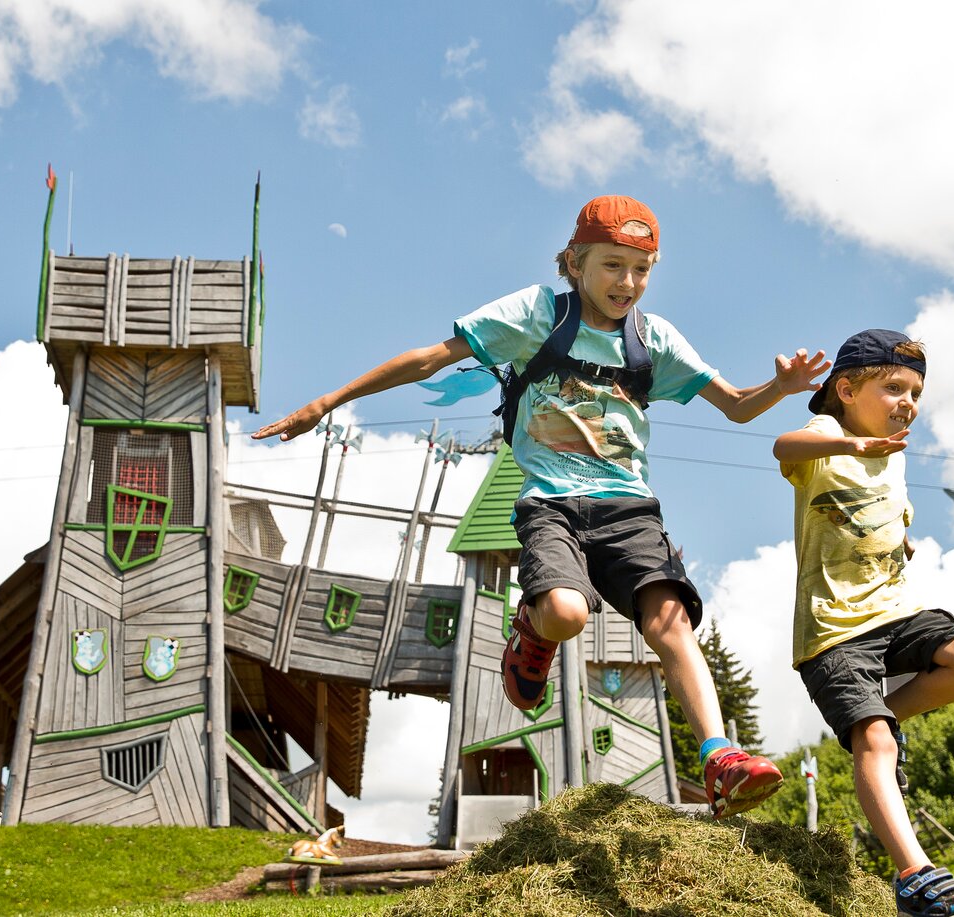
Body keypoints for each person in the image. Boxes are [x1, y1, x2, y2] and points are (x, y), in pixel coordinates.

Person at [254, 195, 830, 817]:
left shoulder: (653, 340)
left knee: (671, 622)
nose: (627, 283)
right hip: (550, 504)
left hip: (630, 508)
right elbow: (429, 358)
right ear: (575, 261)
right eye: (613, 266)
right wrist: (328, 401)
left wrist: (782, 387)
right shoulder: (534, 316)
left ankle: (720, 758)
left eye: (642, 270)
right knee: (566, 612)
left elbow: (737, 404)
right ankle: (531, 631)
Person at [773, 329, 954, 917]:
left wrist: (901, 542)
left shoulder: (892, 455)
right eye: (894, 387)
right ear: (846, 390)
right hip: (833, 632)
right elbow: (784, 446)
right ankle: (915, 876)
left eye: (916, 392)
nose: (909, 403)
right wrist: (849, 448)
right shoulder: (828, 436)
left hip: (894, 614)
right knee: (870, 740)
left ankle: (884, 721)